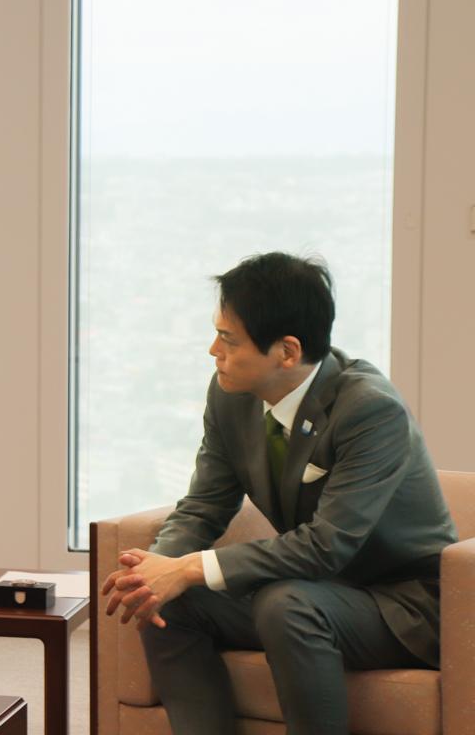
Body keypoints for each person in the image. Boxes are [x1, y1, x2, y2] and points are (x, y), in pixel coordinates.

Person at [100, 252, 456, 735]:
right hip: (310, 591)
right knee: (171, 601)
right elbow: (205, 505)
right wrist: (159, 570)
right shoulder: (230, 395)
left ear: (287, 352)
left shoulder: (370, 410)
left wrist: (190, 568)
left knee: (286, 604)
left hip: (401, 606)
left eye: (228, 339)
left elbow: (327, 545)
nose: (213, 350)